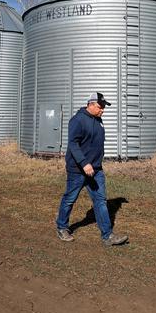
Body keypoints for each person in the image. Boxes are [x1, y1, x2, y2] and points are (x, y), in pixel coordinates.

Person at [55, 92, 128, 247]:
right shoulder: (78, 120)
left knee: (100, 201)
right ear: (91, 104)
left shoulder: (98, 120)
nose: (103, 110)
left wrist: (95, 163)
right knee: (69, 199)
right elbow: (73, 144)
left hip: (96, 170)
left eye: (103, 107)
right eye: (100, 106)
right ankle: (62, 227)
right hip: (78, 170)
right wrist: (84, 163)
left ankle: (107, 236)